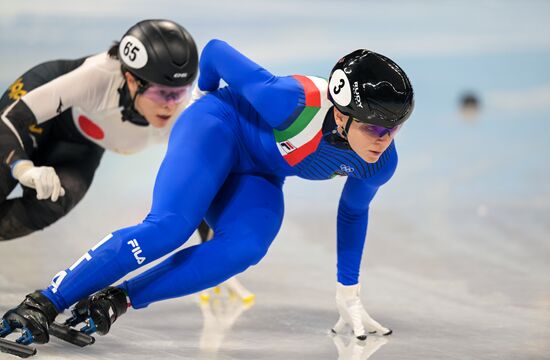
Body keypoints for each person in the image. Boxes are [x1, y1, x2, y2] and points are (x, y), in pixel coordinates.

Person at [0, 39, 414, 348]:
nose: (384, 140)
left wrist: (348, 295)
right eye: (374, 128)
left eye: (393, 128)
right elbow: (215, 52)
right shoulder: (290, 102)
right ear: (340, 115)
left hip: (259, 173)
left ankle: (117, 300)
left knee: (247, 248)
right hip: (216, 127)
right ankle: (44, 302)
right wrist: (204, 96)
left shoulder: (379, 162)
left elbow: (353, 214)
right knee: (170, 228)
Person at [0, 19, 200, 240]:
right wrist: (22, 168)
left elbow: (203, 181)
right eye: (161, 93)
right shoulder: (98, 77)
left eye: (180, 93)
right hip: (38, 113)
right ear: (131, 80)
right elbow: (9, 121)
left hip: (81, 146)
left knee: (53, 203)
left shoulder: (184, 116)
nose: (170, 105)